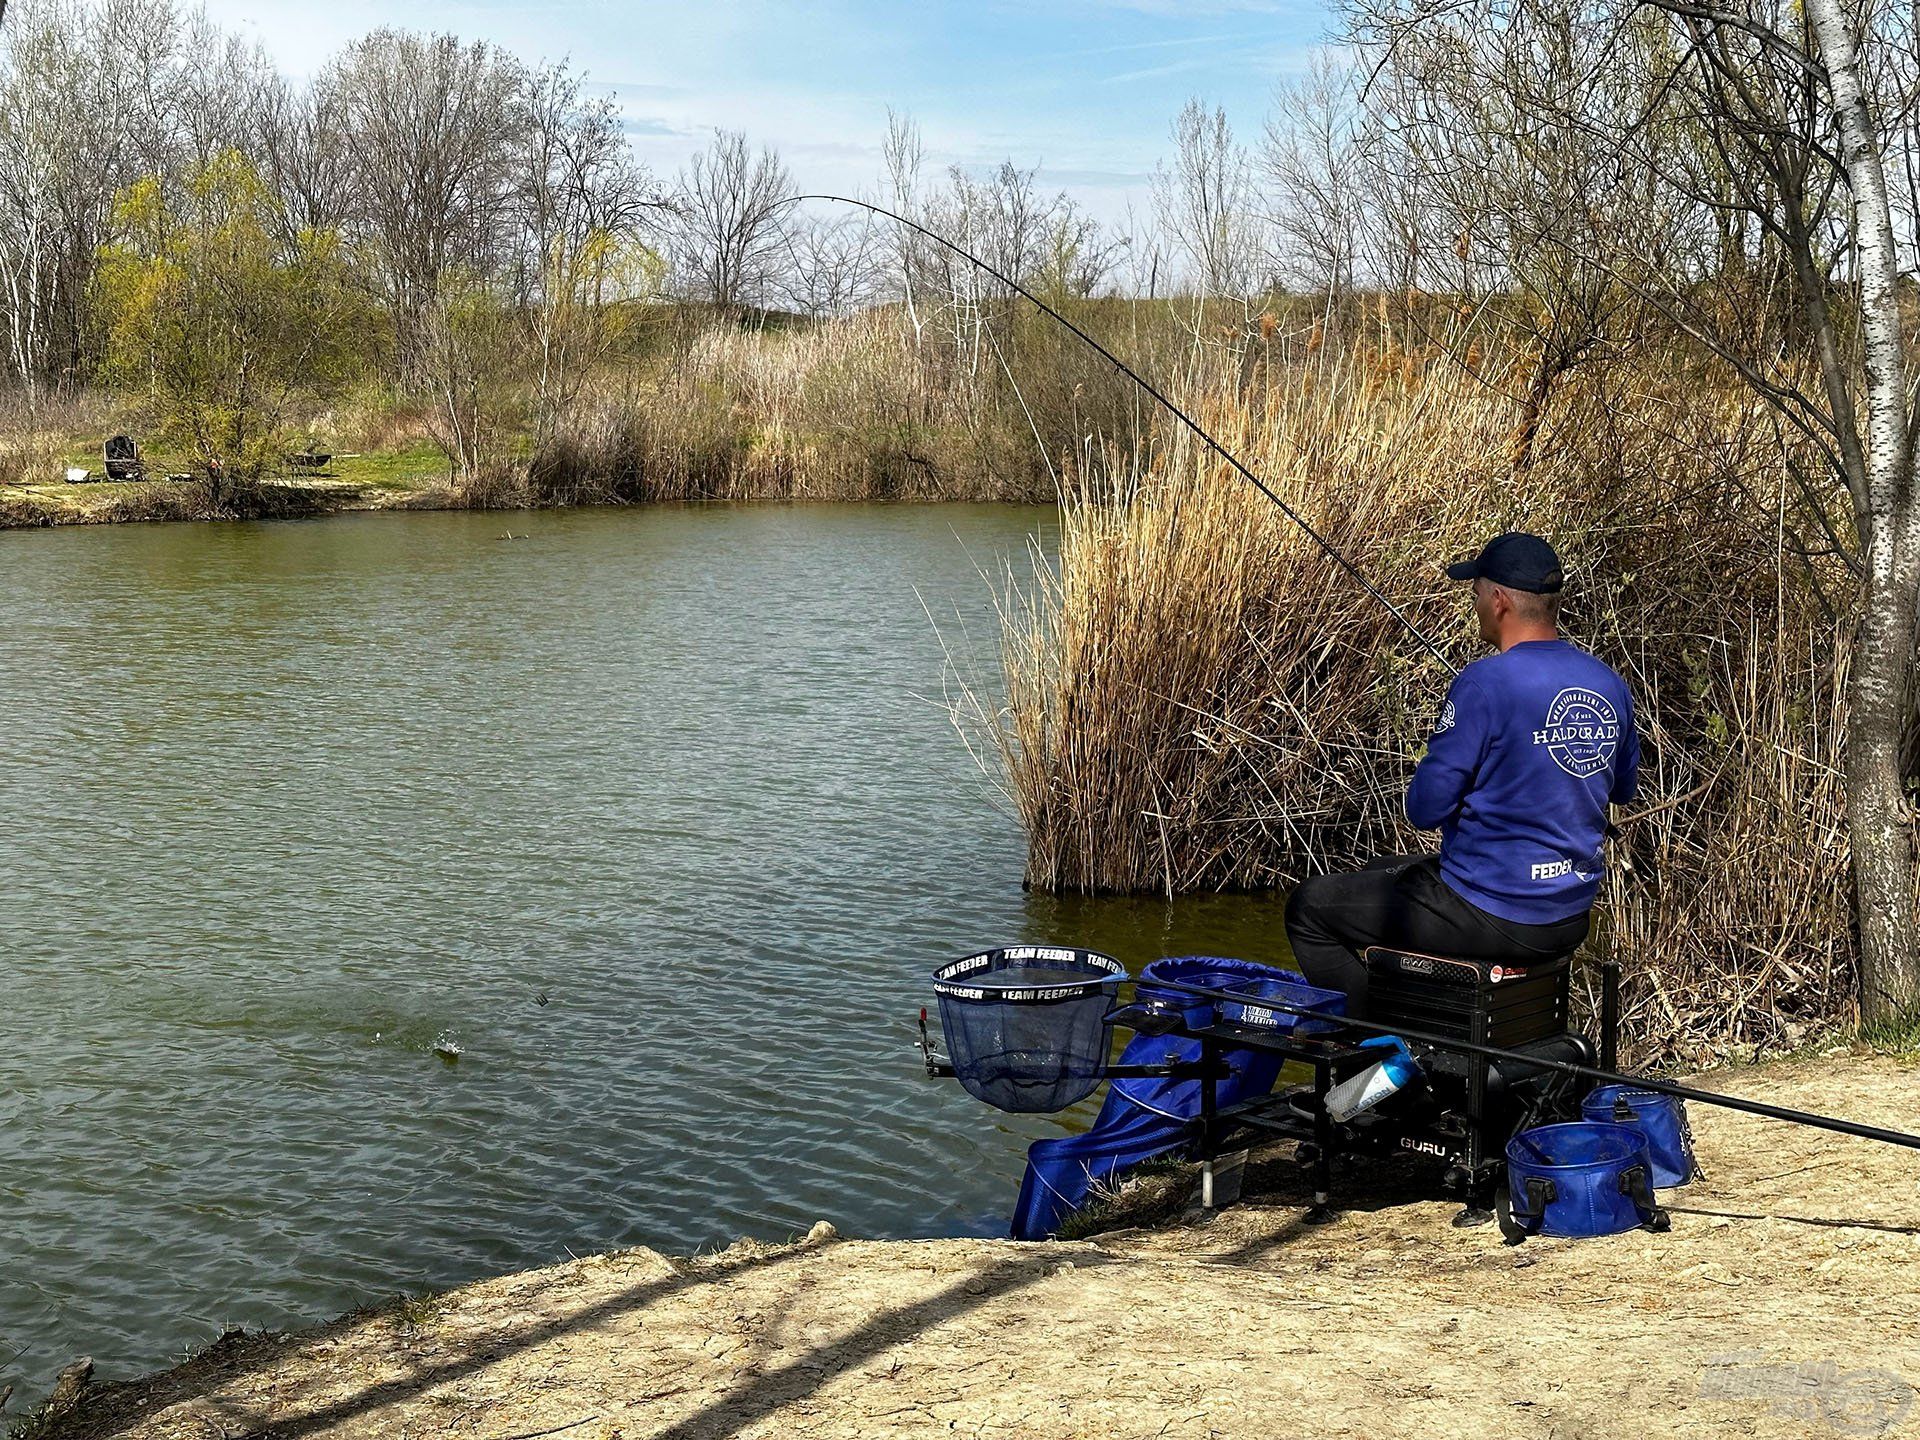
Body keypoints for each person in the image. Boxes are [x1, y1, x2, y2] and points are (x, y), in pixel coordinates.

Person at [1284, 532, 1639, 1019]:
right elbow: (1621, 787)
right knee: (1378, 870)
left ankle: (1381, 1055)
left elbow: (1424, 809)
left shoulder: (1482, 684)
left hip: (1495, 912)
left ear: (1498, 601)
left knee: (1310, 909)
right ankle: (1440, 1029)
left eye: (1475, 592)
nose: (1474, 603)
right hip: (1570, 910)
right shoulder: (1607, 682)